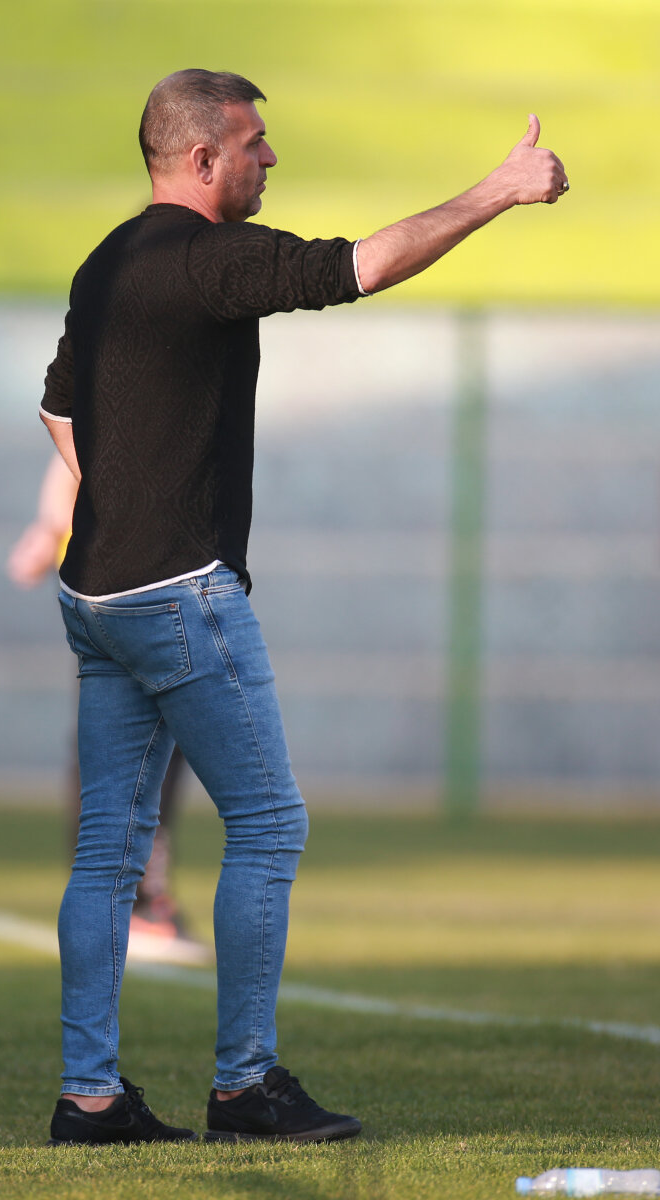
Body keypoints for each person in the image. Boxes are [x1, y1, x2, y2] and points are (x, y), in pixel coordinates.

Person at [38, 69, 568, 1147]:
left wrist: (123, 501)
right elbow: (363, 265)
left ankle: (88, 1098)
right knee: (270, 824)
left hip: (95, 597)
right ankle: (243, 1088)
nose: (269, 158)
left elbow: (55, 410)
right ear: (201, 159)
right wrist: (498, 190)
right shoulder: (210, 260)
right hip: (177, 596)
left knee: (106, 854)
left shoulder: (107, 261)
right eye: (253, 143)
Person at [6, 453, 211, 966]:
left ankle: (122, 901)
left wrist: (49, 525)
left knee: (135, 740)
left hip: (132, 576)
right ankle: (130, 903)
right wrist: (51, 522)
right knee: (135, 741)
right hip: (125, 579)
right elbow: (74, 443)